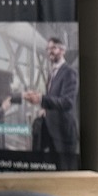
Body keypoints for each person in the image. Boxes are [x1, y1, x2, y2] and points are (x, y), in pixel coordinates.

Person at [23, 36, 79, 170]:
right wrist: (44, 109)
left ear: (63, 50)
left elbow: (67, 102)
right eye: (48, 49)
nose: (49, 52)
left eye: (53, 48)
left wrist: (41, 99)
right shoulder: (52, 73)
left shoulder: (69, 72)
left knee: (65, 173)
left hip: (63, 134)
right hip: (51, 131)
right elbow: (53, 98)